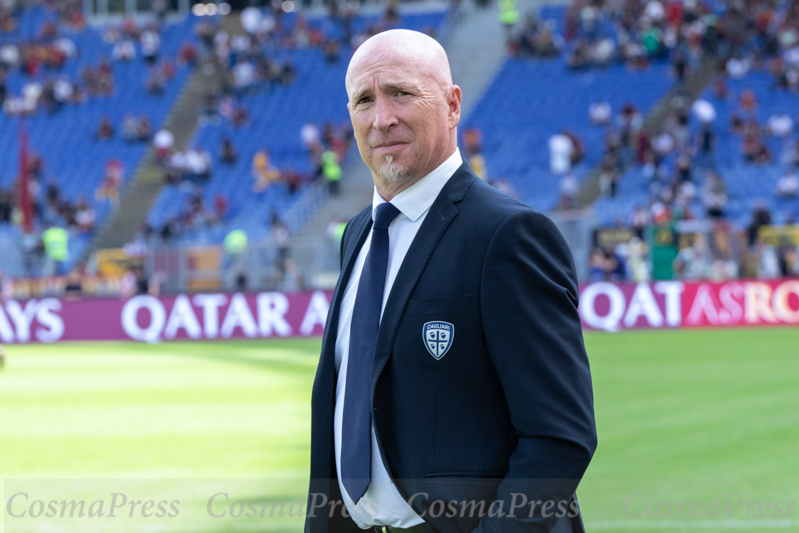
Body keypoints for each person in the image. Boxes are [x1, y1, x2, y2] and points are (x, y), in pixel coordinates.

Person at [305, 30, 596, 533]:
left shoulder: (508, 235)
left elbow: (560, 437)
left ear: (452, 104)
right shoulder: (359, 234)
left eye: (401, 93)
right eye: (365, 100)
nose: (382, 118)